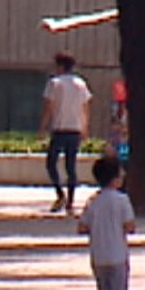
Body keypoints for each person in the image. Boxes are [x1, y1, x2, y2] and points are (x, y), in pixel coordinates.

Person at [76, 156, 135, 290]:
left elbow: (82, 226)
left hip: (98, 256)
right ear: (115, 178)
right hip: (118, 255)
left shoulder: (93, 201)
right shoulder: (122, 200)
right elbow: (129, 226)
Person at [39, 52, 92, 215]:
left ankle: (60, 194)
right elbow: (85, 107)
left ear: (60, 66)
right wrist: (85, 127)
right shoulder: (81, 83)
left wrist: (42, 127)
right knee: (71, 166)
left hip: (59, 128)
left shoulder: (54, 83)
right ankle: (70, 201)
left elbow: (48, 107)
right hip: (75, 129)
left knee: (51, 163)